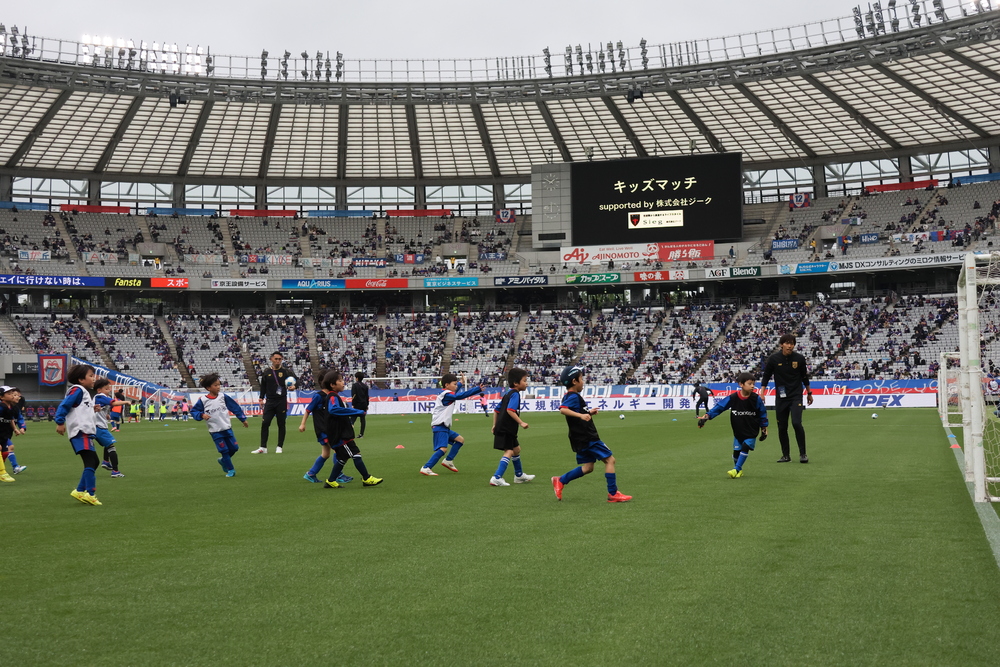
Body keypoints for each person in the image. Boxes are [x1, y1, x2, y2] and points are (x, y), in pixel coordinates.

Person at [551, 365, 632, 503]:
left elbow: (575, 413)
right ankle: (613, 493)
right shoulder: (573, 396)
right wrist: (581, 415)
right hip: (588, 437)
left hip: (579, 438)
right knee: (610, 460)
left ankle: (561, 480)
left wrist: (588, 413)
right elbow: (563, 410)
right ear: (574, 381)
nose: (583, 382)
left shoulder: (570, 396)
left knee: (588, 467)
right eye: (581, 379)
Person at [697, 372, 769, 478]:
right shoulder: (733, 397)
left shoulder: (756, 398)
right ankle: (739, 470)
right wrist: (707, 416)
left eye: (753, 384)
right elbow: (720, 407)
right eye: (749, 384)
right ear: (741, 384)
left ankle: (736, 469)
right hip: (738, 430)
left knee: (745, 447)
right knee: (736, 452)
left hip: (751, 429)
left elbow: (762, 413)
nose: (752, 386)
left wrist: (764, 428)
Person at [320, 371, 382, 489]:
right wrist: (356, 411)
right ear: (332, 385)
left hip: (339, 433)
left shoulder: (335, 396)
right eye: (340, 381)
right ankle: (366, 478)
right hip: (340, 434)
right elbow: (333, 409)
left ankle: (331, 481)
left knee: (342, 458)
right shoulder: (332, 396)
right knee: (355, 454)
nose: (343, 383)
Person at [759, 333, 813, 463]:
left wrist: (809, 393)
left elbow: (804, 377)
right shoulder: (773, 359)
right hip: (781, 397)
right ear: (781, 344)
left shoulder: (799, 358)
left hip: (796, 396)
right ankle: (786, 455)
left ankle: (803, 454)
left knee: (796, 423)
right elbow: (766, 376)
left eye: (792, 343)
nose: (790, 346)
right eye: (787, 343)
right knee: (782, 427)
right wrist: (762, 393)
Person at [54, 364, 103, 505]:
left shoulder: (83, 392)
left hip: (86, 432)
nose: (94, 378)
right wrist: (60, 421)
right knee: (90, 461)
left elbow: (79, 409)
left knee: (94, 461)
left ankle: (80, 490)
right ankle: (90, 493)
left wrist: (92, 409)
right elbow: (65, 405)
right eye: (91, 376)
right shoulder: (77, 390)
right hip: (81, 432)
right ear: (81, 379)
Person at [420, 372, 483, 476]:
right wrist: (477, 389)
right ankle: (426, 467)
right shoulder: (446, 395)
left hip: (444, 426)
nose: (456, 386)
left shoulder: (447, 393)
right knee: (443, 449)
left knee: (460, 440)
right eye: (454, 384)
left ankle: (448, 461)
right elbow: (459, 395)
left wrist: (461, 382)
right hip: (440, 425)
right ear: (447, 385)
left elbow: (456, 392)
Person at [299, 371, 353, 485]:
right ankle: (338, 475)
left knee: (326, 454)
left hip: (330, 429)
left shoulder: (332, 396)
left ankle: (311, 474)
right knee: (338, 450)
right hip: (323, 429)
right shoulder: (319, 396)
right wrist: (303, 424)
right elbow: (308, 410)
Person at [191, 372, 249, 478]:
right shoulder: (203, 400)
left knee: (234, 448)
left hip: (227, 428)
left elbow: (234, 407)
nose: (218, 387)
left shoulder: (223, 397)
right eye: (215, 385)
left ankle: (223, 461)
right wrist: (202, 415)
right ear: (208, 388)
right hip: (215, 431)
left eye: (219, 385)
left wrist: (243, 419)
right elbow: (194, 411)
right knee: (224, 451)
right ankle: (230, 470)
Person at [489, 368, 534, 487]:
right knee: (509, 451)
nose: (526, 383)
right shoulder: (515, 394)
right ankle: (496, 477)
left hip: (504, 427)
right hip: (507, 428)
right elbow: (510, 410)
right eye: (524, 381)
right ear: (516, 383)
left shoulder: (507, 394)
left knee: (516, 449)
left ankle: (519, 475)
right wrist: (521, 422)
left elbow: (496, 410)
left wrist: (495, 424)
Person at [252, 352, 295, 454]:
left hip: (281, 401)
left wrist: (294, 386)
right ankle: (263, 447)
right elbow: (263, 386)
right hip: (270, 401)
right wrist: (261, 398)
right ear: (271, 359)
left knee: (281, 424)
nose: (278, 361)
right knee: (265, 423)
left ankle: (279, 446)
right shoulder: (267, 372)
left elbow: (296, 380)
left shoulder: (286, 371)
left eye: (280, 359)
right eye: (276, 359)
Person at [93, 377, 129, 478]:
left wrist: (106, 416)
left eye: (109, 388)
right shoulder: (100, 396)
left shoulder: (98, 398)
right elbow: (114, 403)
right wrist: (126, 402)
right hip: (99, 427)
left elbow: (99, 410)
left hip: (97, 427)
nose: (108, 390)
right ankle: (115, 471)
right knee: (111, 447)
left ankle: (106, 461)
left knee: (108, 444)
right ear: (99, 390)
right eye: (106, 389)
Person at [0, 386, 25, 482]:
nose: (13, 396)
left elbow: (11, 419)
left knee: (5, 452)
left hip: (4, 434)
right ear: (2, 397)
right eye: (9, 394)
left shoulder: (12, 408)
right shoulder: (1, 407)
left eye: (13, 394)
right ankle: (3, 473)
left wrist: (15, 428)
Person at [350, 371, 369, 438]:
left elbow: (354, 395)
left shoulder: (355, 385)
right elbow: (367, 396)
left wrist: (353, 404)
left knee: (352, 419)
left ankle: (350, 433)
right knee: (362, 419)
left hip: (357, 404)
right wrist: (367, 405)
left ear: (357, 378)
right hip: (363, 404)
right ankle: (361, 434)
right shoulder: (365, 386)